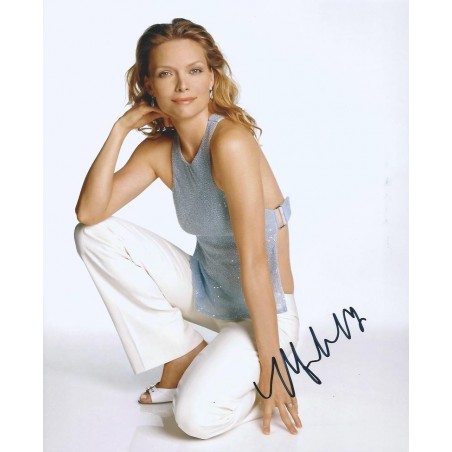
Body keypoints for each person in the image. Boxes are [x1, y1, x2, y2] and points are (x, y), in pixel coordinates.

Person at [74, 17, 302, 440]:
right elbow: (89, 213)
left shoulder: (231, 142)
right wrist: (120, 129)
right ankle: (181, 352)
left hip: (265, 313)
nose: (182, 85)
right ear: (149, 84)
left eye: (195, 70)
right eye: (166, 74)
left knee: (195, 419)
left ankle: (252, 384)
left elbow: (256, 262)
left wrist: (271, 365)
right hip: (208, 291)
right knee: (93, 235)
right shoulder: (160, 151)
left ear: (212, 77)